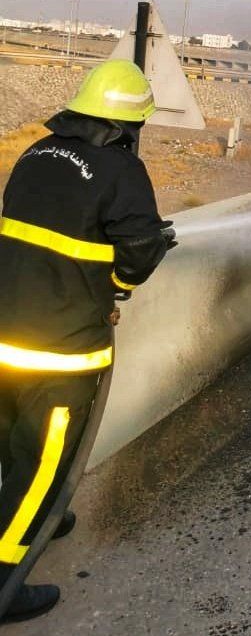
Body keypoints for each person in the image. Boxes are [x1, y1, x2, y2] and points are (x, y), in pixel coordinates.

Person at [0, 59, 175, 621]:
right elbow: (138, 254)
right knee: (41, 467)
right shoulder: (122, 172)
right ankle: (5, 584)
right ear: (128, 126)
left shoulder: (35, 153)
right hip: (60, 352)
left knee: (9, 449)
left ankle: (42, 515)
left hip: (4, 334)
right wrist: (119, 284)